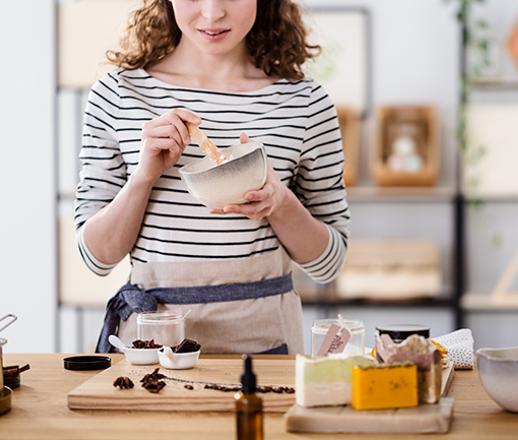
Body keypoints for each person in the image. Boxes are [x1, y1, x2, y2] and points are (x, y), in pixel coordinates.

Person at [74, 0, 349, 354]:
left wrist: (279, 203)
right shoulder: (118, 95)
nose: (212, 13)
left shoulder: (306, 103)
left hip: (266, 343)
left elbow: (329, 263)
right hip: (153, 342)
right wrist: (143, 179)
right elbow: (96, 257)